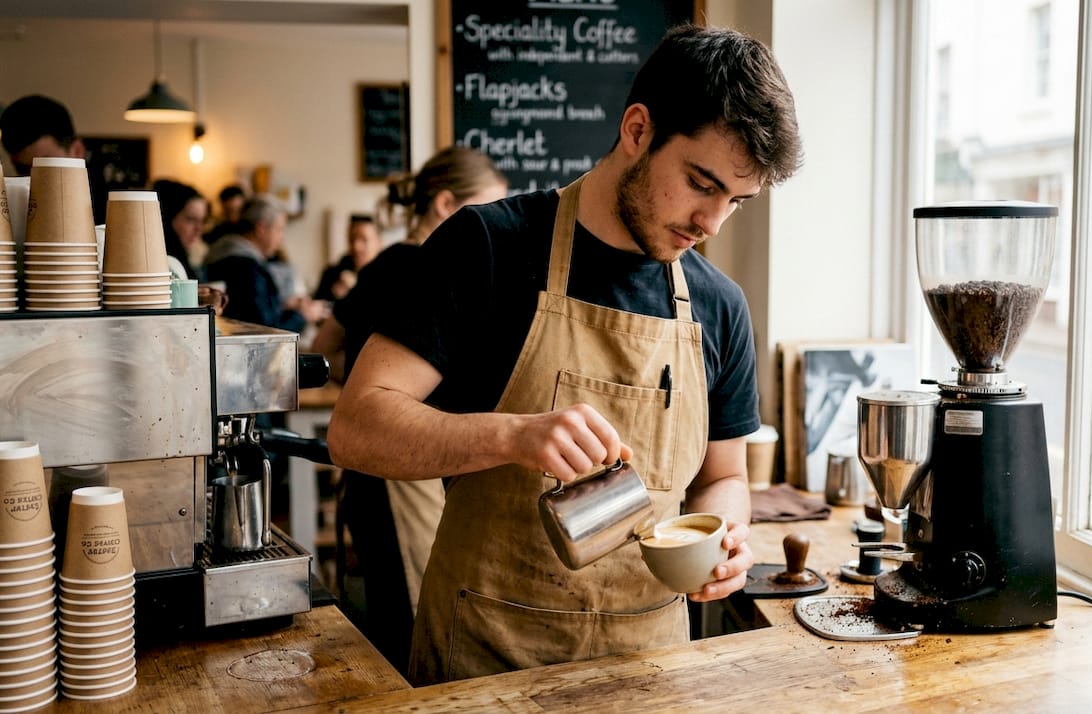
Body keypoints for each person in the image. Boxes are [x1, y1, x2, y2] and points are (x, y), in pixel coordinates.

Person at [327, 24, 801, 685]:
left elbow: (723, 475)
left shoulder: (720, 307)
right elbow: (355, 428)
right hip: (485, 666)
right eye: (701, 183)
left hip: (650, 670)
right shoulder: (489, 248)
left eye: (737, 203)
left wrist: (721, 537)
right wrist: (514, 435)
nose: (711, 224)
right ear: (637, 131)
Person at [309, 146, 507, 669]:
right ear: (446, 204)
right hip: (402, 477)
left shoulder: (381, 264)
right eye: (486, 211)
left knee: (390, 616)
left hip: (371, 475)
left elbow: (322, 346)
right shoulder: (422, 266)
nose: (493, 229)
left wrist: (355, 377)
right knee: (413, 628)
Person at [203, 194, 328, 332]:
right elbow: (266, 331)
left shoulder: (223, 254)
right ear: (261, 229)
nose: (282, 239)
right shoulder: (246, 269)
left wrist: (281, 305)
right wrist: (304, 316)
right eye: (279, 229)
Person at [0, 94, 108, 223]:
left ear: (77, 151)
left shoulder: (111, 211)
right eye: (23, 169)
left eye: (46, 166)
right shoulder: (11, 210)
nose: (34, 180)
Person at [313, 215, 384, 303]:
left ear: (379, 243)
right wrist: (333, 296)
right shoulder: (331, 274)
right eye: (352, 239)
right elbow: (315, 310)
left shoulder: (389, 277)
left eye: (364, 239)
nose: (356, 246)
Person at [153, 178, 209, 280]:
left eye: (202, 221)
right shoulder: (164, 263)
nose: (199, 228)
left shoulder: (196, 256)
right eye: (191, 219)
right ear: (169, 219)